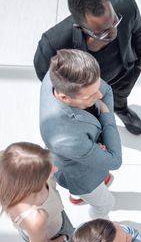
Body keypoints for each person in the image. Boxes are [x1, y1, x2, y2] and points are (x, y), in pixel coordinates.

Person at [34, 0, 141, 135]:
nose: (113, 32)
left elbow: (138, 31)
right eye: (103, 32)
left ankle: (121, 110)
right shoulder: (54, 45)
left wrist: (139, 65)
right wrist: (76, 97)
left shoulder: (125, 5)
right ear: (80, 28)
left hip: (124, 75)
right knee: (95, 118)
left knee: (121, 98)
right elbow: (47, 78)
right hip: (88, 94)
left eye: (115, 21)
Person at [40, 49, 122, 219]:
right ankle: (100, 223)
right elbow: (115, 160)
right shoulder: (68, 138)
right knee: (106, 204)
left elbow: (106, 91)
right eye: (91, 95)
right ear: (64, 97)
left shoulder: (56, 73)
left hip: (78, 155)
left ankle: (77, 196)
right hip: (83, 176)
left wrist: (94, 98)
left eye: (96, 86)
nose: (100, 94)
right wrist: (106, 116)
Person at [0, 142, 74, 242]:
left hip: (54, 217)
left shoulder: (9, 164)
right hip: (54, 235)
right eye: (47, 171)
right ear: (32, 184)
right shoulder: (35, 218)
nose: (55, 169)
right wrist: (65, 238)